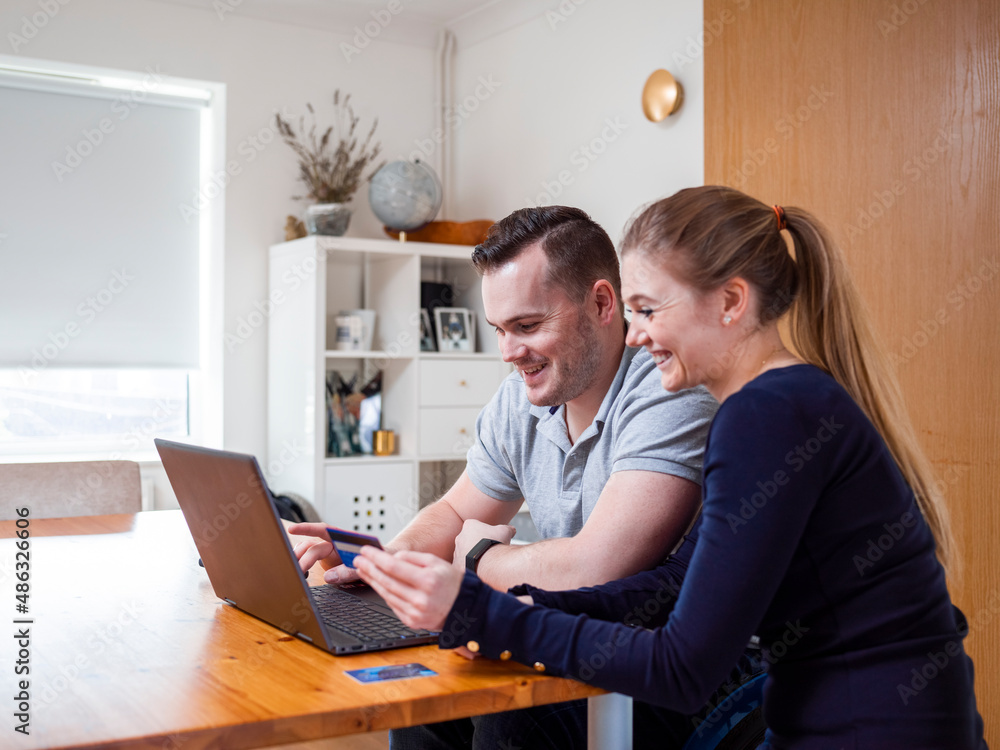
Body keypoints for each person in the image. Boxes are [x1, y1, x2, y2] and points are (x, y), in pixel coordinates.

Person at [353, 186, 987, 748]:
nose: (635, 334)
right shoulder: (775, 404)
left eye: (650, 310)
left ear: (731, 302)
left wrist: (485, 613)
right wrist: (508, 604)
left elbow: (683, 669)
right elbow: (676, 583)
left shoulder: (767, 415)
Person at [291, 206, 725, 747]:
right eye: (499, 329)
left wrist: (477, 560)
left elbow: (598, 567)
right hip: (559, 632)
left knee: (510, 716)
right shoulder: (521, 399)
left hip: (654, 666)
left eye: (527, 326)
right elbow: (455, 513)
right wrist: (383, 563)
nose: (508, 353)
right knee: (422, 691)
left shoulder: (667, 390)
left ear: (601, 303)